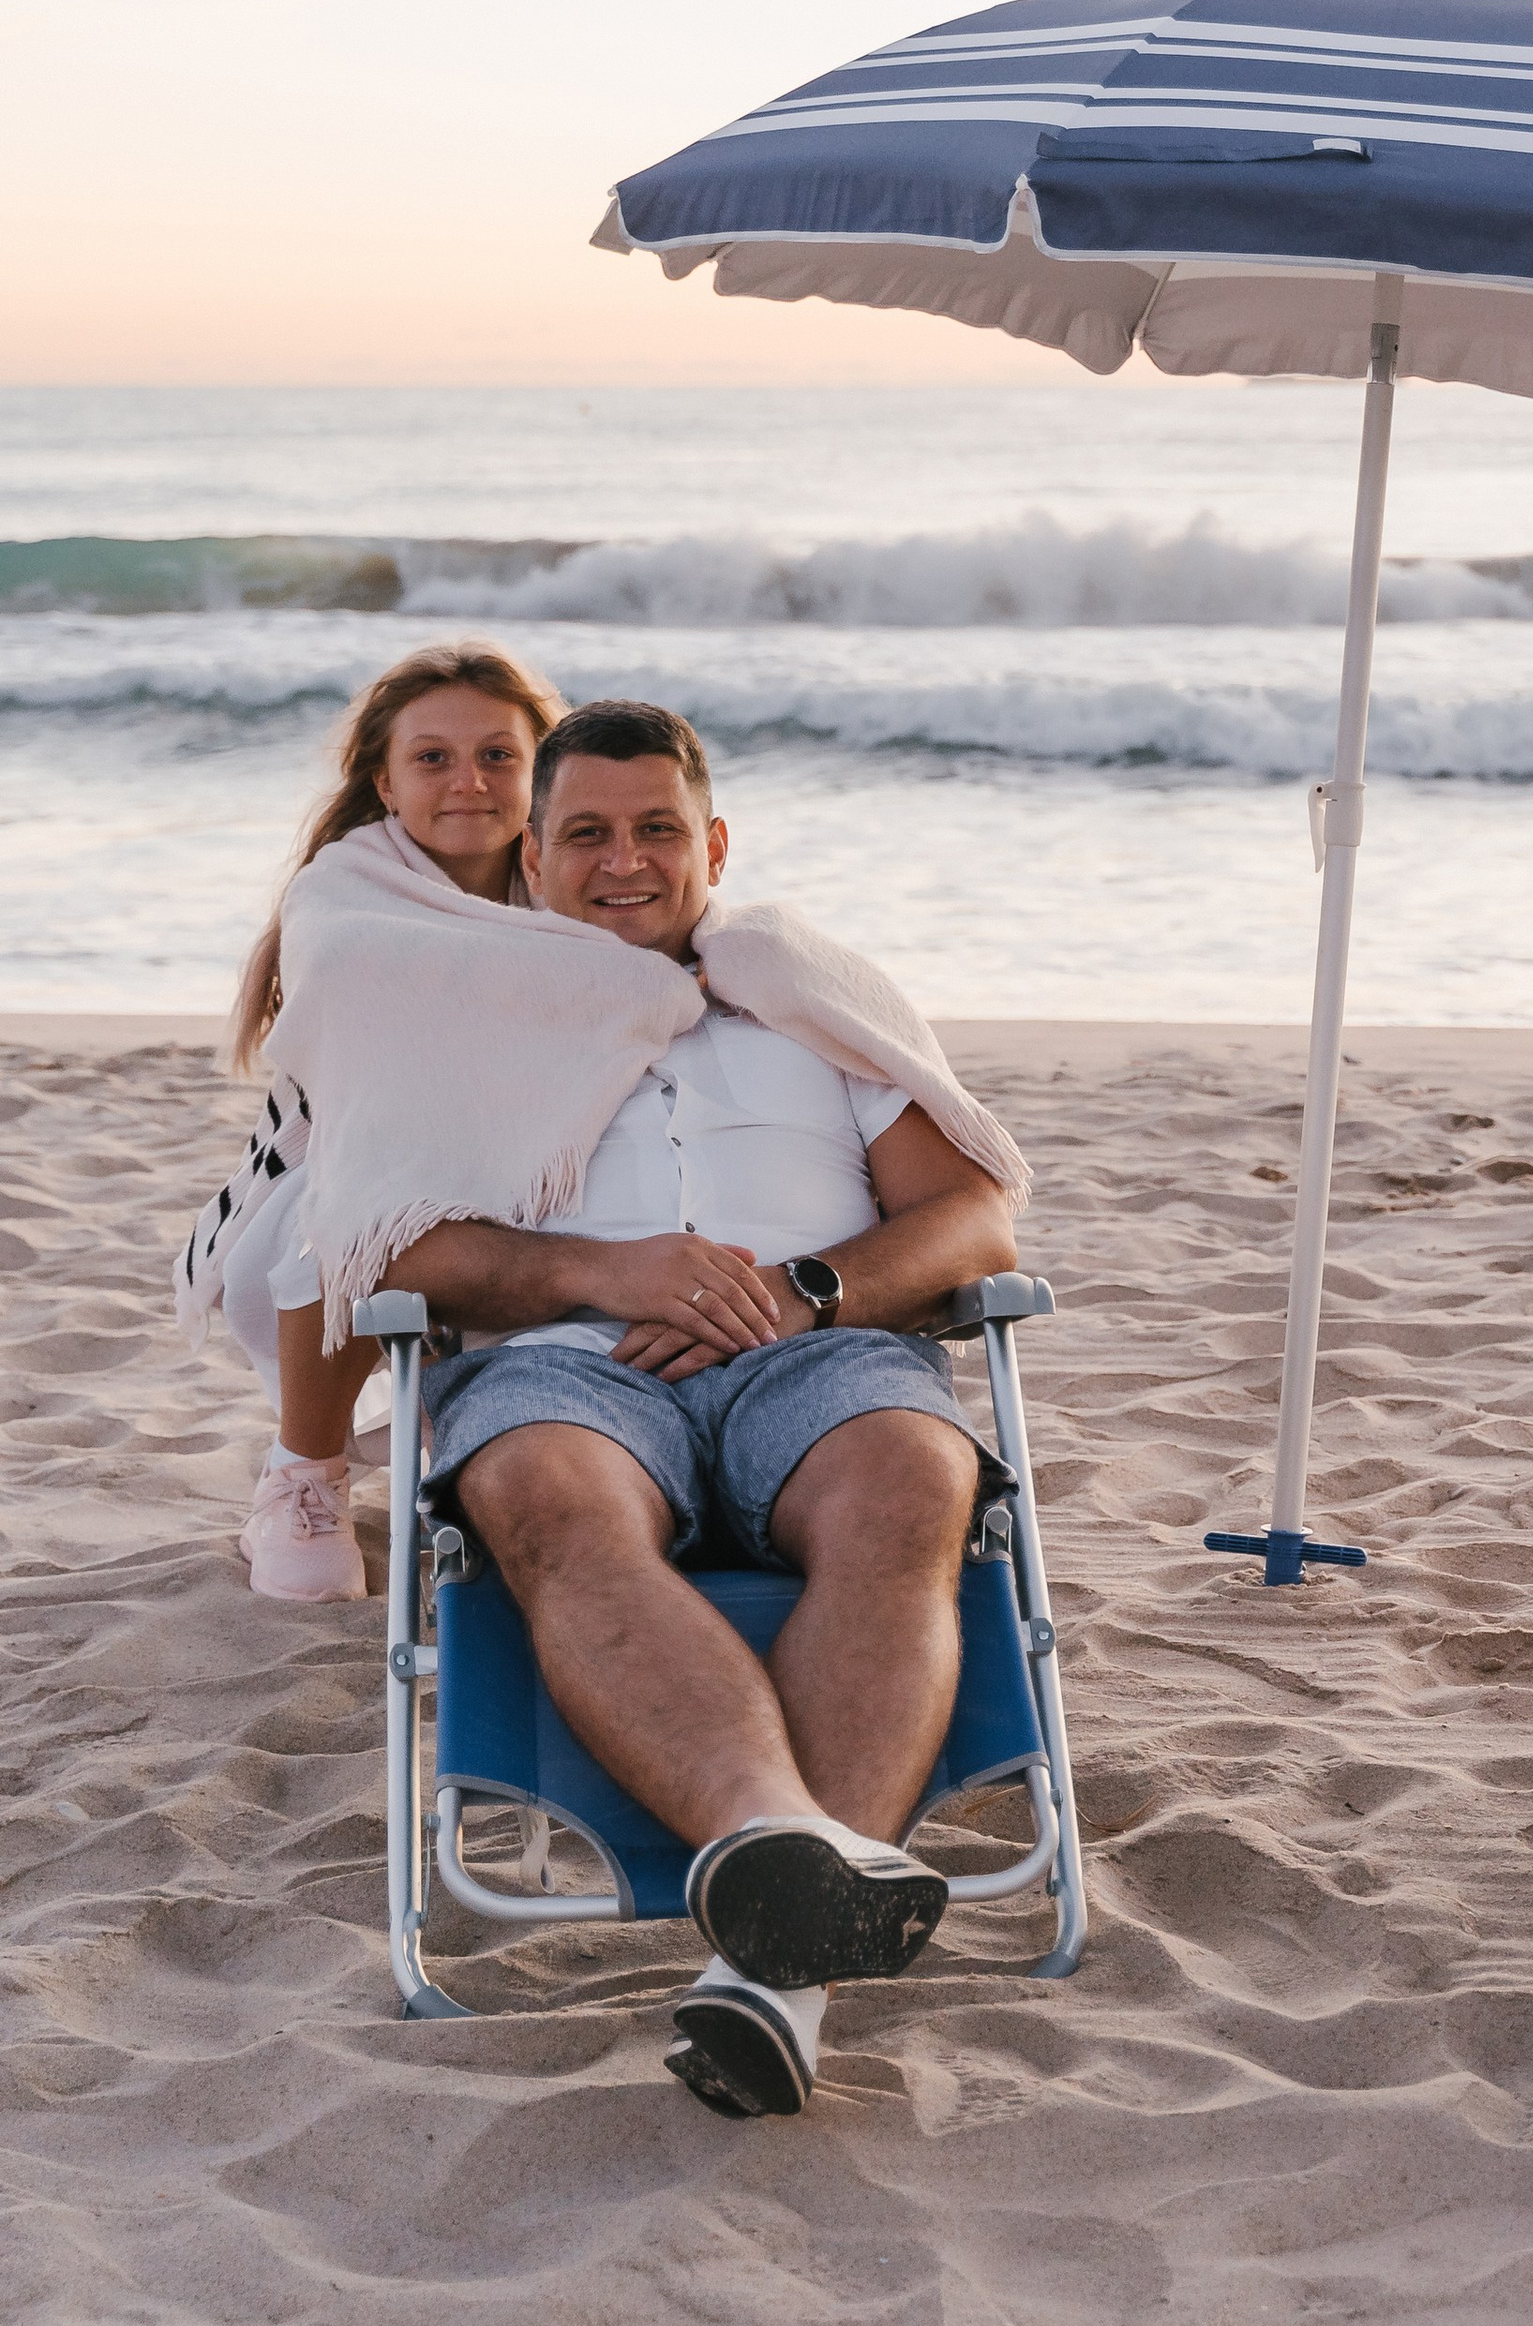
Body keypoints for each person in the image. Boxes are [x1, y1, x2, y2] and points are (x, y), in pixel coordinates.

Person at [267, 696, 1029, 2126]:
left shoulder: (806, 1010)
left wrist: (807, 1291)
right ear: (532, 859)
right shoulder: (471, 1017)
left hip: (817, 1350)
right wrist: (601, 1269)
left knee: (915, 1488)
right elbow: (387, 1240)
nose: (625, 862)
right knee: (548, 1507)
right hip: (569, 1359)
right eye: (587, 836)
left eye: (657, 830)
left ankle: (780, 1965)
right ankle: (779, 1857)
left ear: (713, 842)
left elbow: (975, 1219)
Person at [176, 643, 565, 1602]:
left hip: (501, 1193)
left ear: (543, 774)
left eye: (498, 756)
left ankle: (472, 1441)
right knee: (366, 1208)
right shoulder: (340, 898)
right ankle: (301, 1474)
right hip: (312, 1217)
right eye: (431, 758)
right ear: (385, 784)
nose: (467, 781)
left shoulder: (569, 885)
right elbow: (397, 1100)